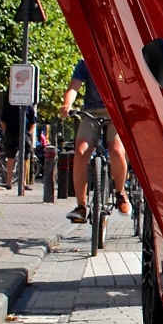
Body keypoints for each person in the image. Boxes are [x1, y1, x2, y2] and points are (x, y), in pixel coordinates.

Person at [59, 59, 129, 223]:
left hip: (115, 113)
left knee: (117, 151)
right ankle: (81, 207)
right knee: (81, 151)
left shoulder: (121, 61)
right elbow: (74, 87)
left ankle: (120, 194)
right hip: (91, 113)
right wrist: (67, 104)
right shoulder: (86, 63)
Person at [0, 93, 37, 188]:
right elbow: (3, 120)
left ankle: (23, 182)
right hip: (11, 134)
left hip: (24, 134)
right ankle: (9, 183)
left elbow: (33, 122)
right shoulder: (9, 104)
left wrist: (29, 133)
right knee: (10, 157)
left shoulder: (28, 105)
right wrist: (6, 132)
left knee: (25, 158)